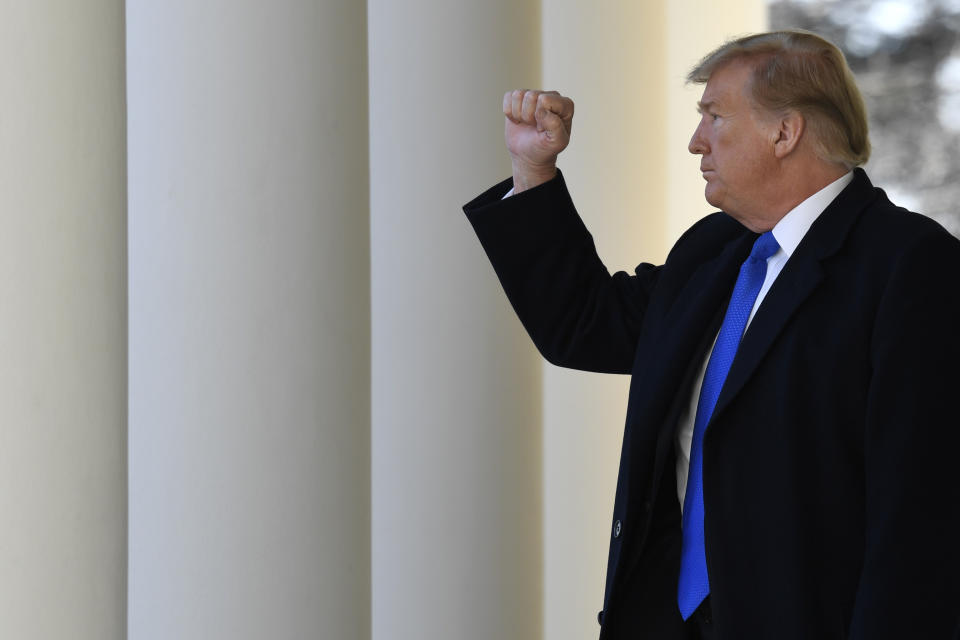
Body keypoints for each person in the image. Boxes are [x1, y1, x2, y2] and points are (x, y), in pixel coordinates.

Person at [463, 30, 960, 639]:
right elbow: (586, 327)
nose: (697, 141)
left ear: (785, 133)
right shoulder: (713, 251)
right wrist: (532, 169)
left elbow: (918, 517)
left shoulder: (911, 265)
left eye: (715, 116)